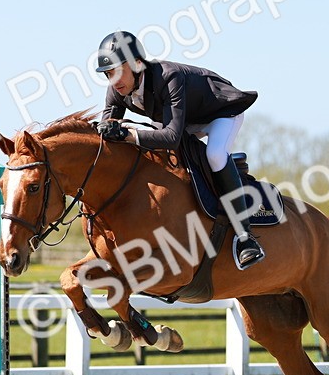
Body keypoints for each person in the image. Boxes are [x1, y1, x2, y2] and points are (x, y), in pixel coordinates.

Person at [94, 30, 265, 270]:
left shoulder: (169, 77)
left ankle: (245, 237)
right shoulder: (117, 90)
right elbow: (107, 131)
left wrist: (129, 134)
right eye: (109, 74)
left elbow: (172, 137)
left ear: (137, 64)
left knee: (214, 155)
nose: (114, 79)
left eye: (118, 70)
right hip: (184, 119)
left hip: (220, 113)